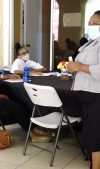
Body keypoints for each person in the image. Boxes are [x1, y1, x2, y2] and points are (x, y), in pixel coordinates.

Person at [67, 10, 100, 169]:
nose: (91, 26)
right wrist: (73, 68)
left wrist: (79, 66)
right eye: (90, 23)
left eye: (95, 23)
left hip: (96, 96)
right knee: (91, 135)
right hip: (86, 95)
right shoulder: (90, 42)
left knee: (95, 138)